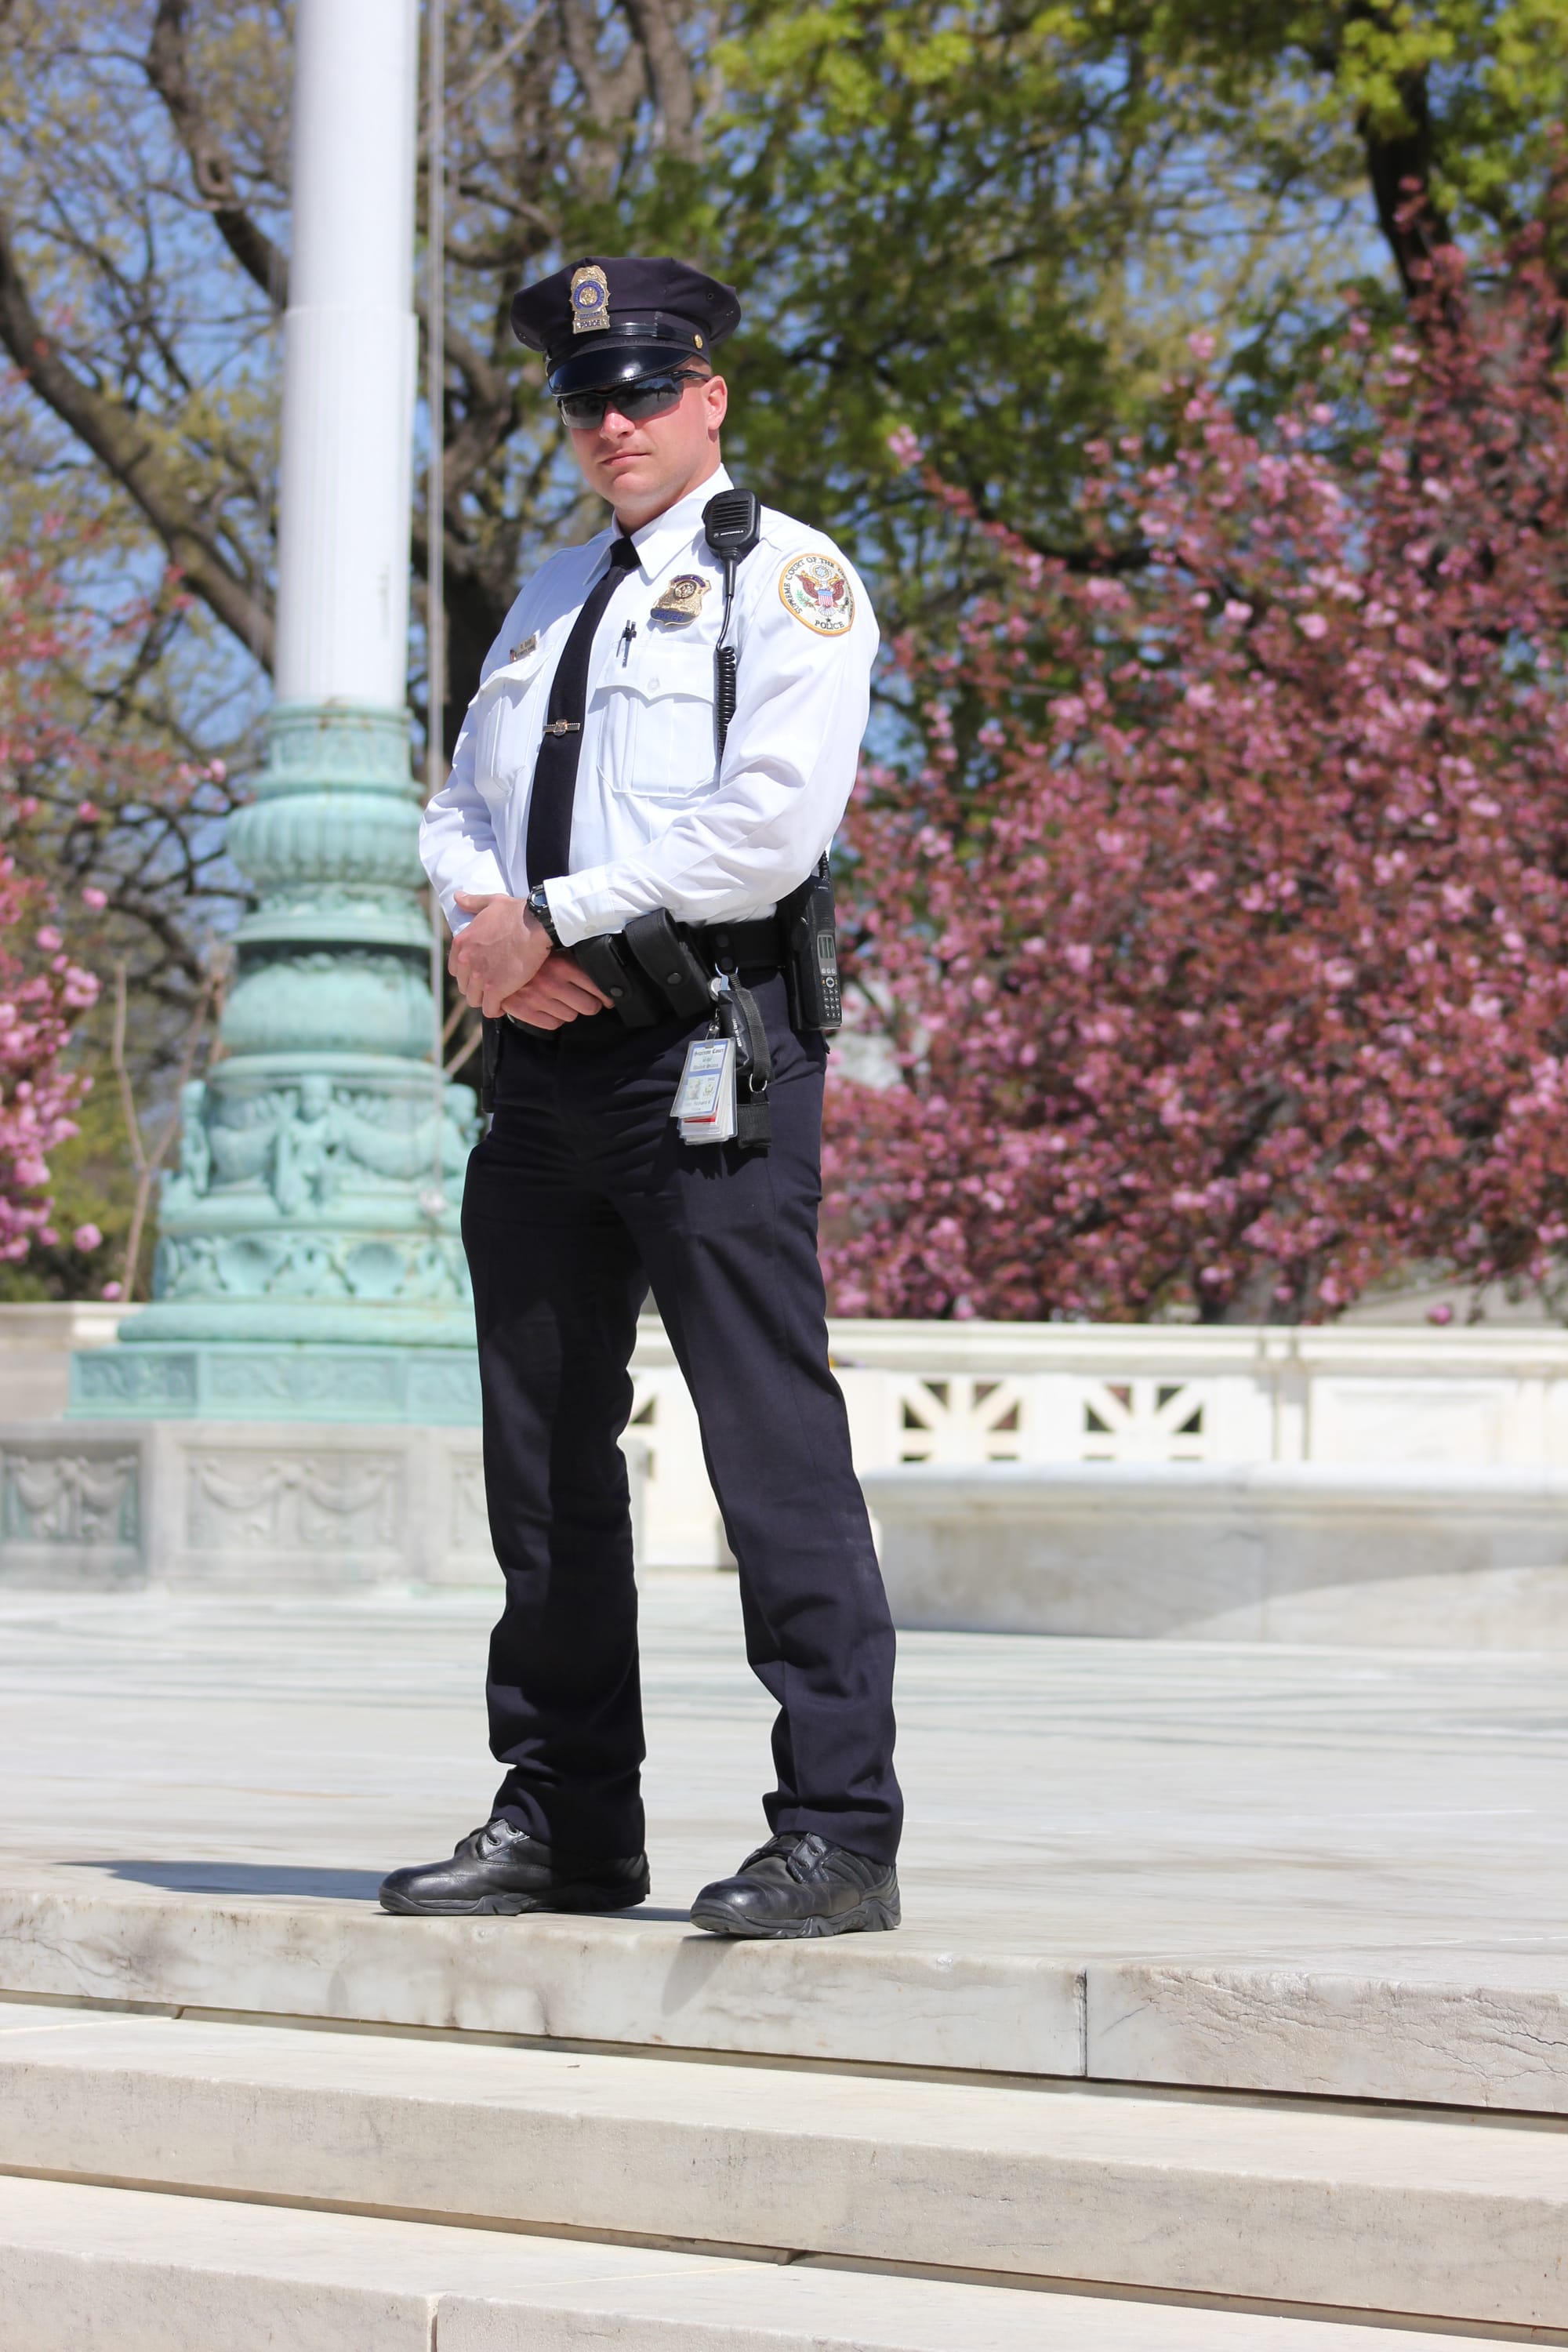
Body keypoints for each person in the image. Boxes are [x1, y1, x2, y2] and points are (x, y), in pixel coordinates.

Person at [382, 254, 901, 1940]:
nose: (613, 422)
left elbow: (768, 828)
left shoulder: (791, 584)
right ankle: (565, 1815)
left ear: (710, 400)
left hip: (709, 1053)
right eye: (587, 401)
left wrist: (564, 916)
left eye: (644, 392)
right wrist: (480, 931)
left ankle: (836, 1827)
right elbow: (462, 801)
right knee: (539, 1459)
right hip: (538, 1060)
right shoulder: (546, 594)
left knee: (769, 1448)